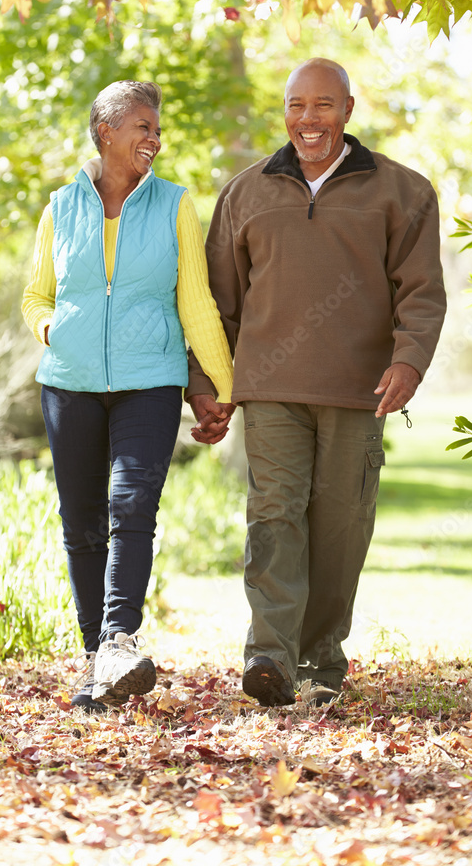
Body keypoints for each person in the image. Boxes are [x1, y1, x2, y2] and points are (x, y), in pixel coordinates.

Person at [187, 58, 446, 708]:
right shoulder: (245, 193)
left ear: (348, 111)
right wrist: (206, 384)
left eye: (323, 105)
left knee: (339, 527)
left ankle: (320, 659)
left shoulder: (401, 192)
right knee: (273, 517)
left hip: (358, 391)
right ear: (284, 113)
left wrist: (408, 360)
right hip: (269, 389)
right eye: (297, 105)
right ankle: (270, 656)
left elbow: (420, 292)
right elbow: (218, 304)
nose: (308, 119)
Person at [22, 81, 233, 711]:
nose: (155, 139)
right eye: (142, 126)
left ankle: (118, 639)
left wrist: (223, 386)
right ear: (106, 131)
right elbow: (37, 295)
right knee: (81, 523)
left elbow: (194, 300)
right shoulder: (61, 206)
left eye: (157, 128)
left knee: (131, 504)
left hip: (150, 380)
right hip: (70, 383)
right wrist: (52, 328)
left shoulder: (174, 205)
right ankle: (97, 665)